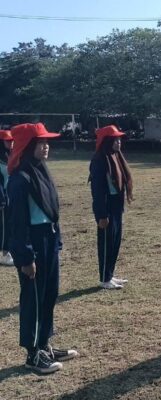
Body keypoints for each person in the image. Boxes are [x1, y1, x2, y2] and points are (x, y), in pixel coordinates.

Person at [7, 123, 78, 374]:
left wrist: (56, 240)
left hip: (48, 238)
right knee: (33, 298)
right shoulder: (20, 178)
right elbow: (17, 223)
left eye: (47, 142)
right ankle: (32, 353)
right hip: (32, 242)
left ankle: (45, 344)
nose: (46, 146)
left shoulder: (41, 170)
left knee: (49, 293)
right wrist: (26, 256)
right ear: (27, 146)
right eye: (40, 143)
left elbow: (51, 210)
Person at [89, 126, 134, 290]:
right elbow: (97, 190)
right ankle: (104, 278)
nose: (118, 142)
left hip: (116, 204)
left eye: (119, 139)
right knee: (106, 243)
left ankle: (110, 274)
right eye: (115, 139)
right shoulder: (99, 160)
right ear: (107, 141)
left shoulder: (116, 156)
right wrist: (101, 214)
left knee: (115, 241)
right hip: (106, 206)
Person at [0, 129, 14, 266]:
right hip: (3, 197)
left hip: (12, 194)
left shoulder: (11, 155)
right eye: (8, 140)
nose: (11, 143)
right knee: (4, 225)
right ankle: (4, 253)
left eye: (12, 140)